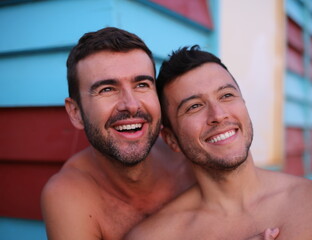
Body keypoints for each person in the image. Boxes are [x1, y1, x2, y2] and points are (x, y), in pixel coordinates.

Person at [125, 45, 312, 240]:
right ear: (171, 139)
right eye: (194, 106)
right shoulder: (154, 236)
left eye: (227, 95)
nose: (218, 114)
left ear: (244, 104)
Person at [40, 27, 196, 240]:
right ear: (75, 113)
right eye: (107, 89)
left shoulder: (189, 157)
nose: (131, 105)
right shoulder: (69, 195)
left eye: (142, 84)